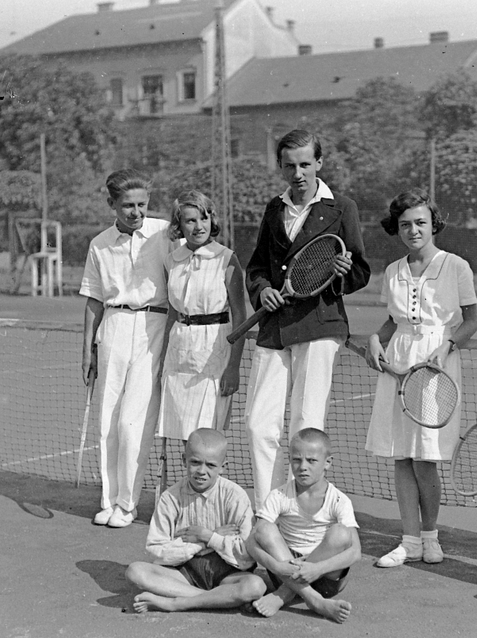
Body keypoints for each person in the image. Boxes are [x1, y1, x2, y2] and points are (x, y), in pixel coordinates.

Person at [243, 129, 370, 505]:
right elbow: (257, 268)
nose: (297, 173)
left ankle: (298, 509)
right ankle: (268, 508)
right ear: (281, 166)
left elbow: (359, 271)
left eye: (304, 164)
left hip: (320, 324)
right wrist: (262, 289)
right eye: (289, 165)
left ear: (319, 163)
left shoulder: (342, 208)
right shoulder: (273, 208)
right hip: (274, 328)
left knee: (305, 424)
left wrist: (344, 271)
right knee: (257, 424)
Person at [364, 189, 477, 568]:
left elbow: (472, 320)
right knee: (402, 456)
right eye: (405, 225)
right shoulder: (394, 270)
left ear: (433, 225)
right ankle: (409, 540)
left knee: (424, 459)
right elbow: (393, 322)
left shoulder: (456, 266)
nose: (413, 230)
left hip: (436, 365)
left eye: (420, 223)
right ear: (396, 229)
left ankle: (430, 537)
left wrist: (446, 347)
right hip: (398, 363)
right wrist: (374, 341)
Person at [79, 168, 174, 529]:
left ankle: (129, 503)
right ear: (112, 205)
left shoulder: (165, 232)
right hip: (113, 328)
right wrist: (87, 349)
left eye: (142, 205)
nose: (136, 213)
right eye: (127, 206)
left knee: (133, 423)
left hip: (153, 325)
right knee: (107, 421)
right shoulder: (99, 244)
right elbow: (92, 300)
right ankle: (109, 500)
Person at [126, 429, 265, 613]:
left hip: (228, 573)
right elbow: (157, 553)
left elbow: (246, 558)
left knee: (255, 586)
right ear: (184, 460)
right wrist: (201, 542)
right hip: (185, 574)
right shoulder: (170, 498)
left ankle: (177, 602)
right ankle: (218, 598)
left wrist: (209, 537)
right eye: (195, 462)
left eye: (211, 465)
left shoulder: (236, 496)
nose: (201, 471)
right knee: (135, 572)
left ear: (223, 466)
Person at [158, 191, 247, 441]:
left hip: (214, 352)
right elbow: (173, 313)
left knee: (209, 437)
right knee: (185, 438)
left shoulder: (227, 259)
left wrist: (234, 368)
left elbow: (240, 317)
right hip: (179, 354)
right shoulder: (171, 261)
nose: (199, 226)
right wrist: (163, 359)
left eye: (204, 218)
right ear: (179, 225)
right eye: (190, 220)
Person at [247, 428, 360, 624]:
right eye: (296, 460)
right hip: (285, 570)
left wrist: (317, 569)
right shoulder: (279, 495)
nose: (302, 467)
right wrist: (276, 566)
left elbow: (355, 552)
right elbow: (251, 542)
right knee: (263, 529)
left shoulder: (340, 501)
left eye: (311, 460)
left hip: (325, 577)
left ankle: (284, 594)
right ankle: (316, 601)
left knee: (341, 534)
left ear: (328, 463)